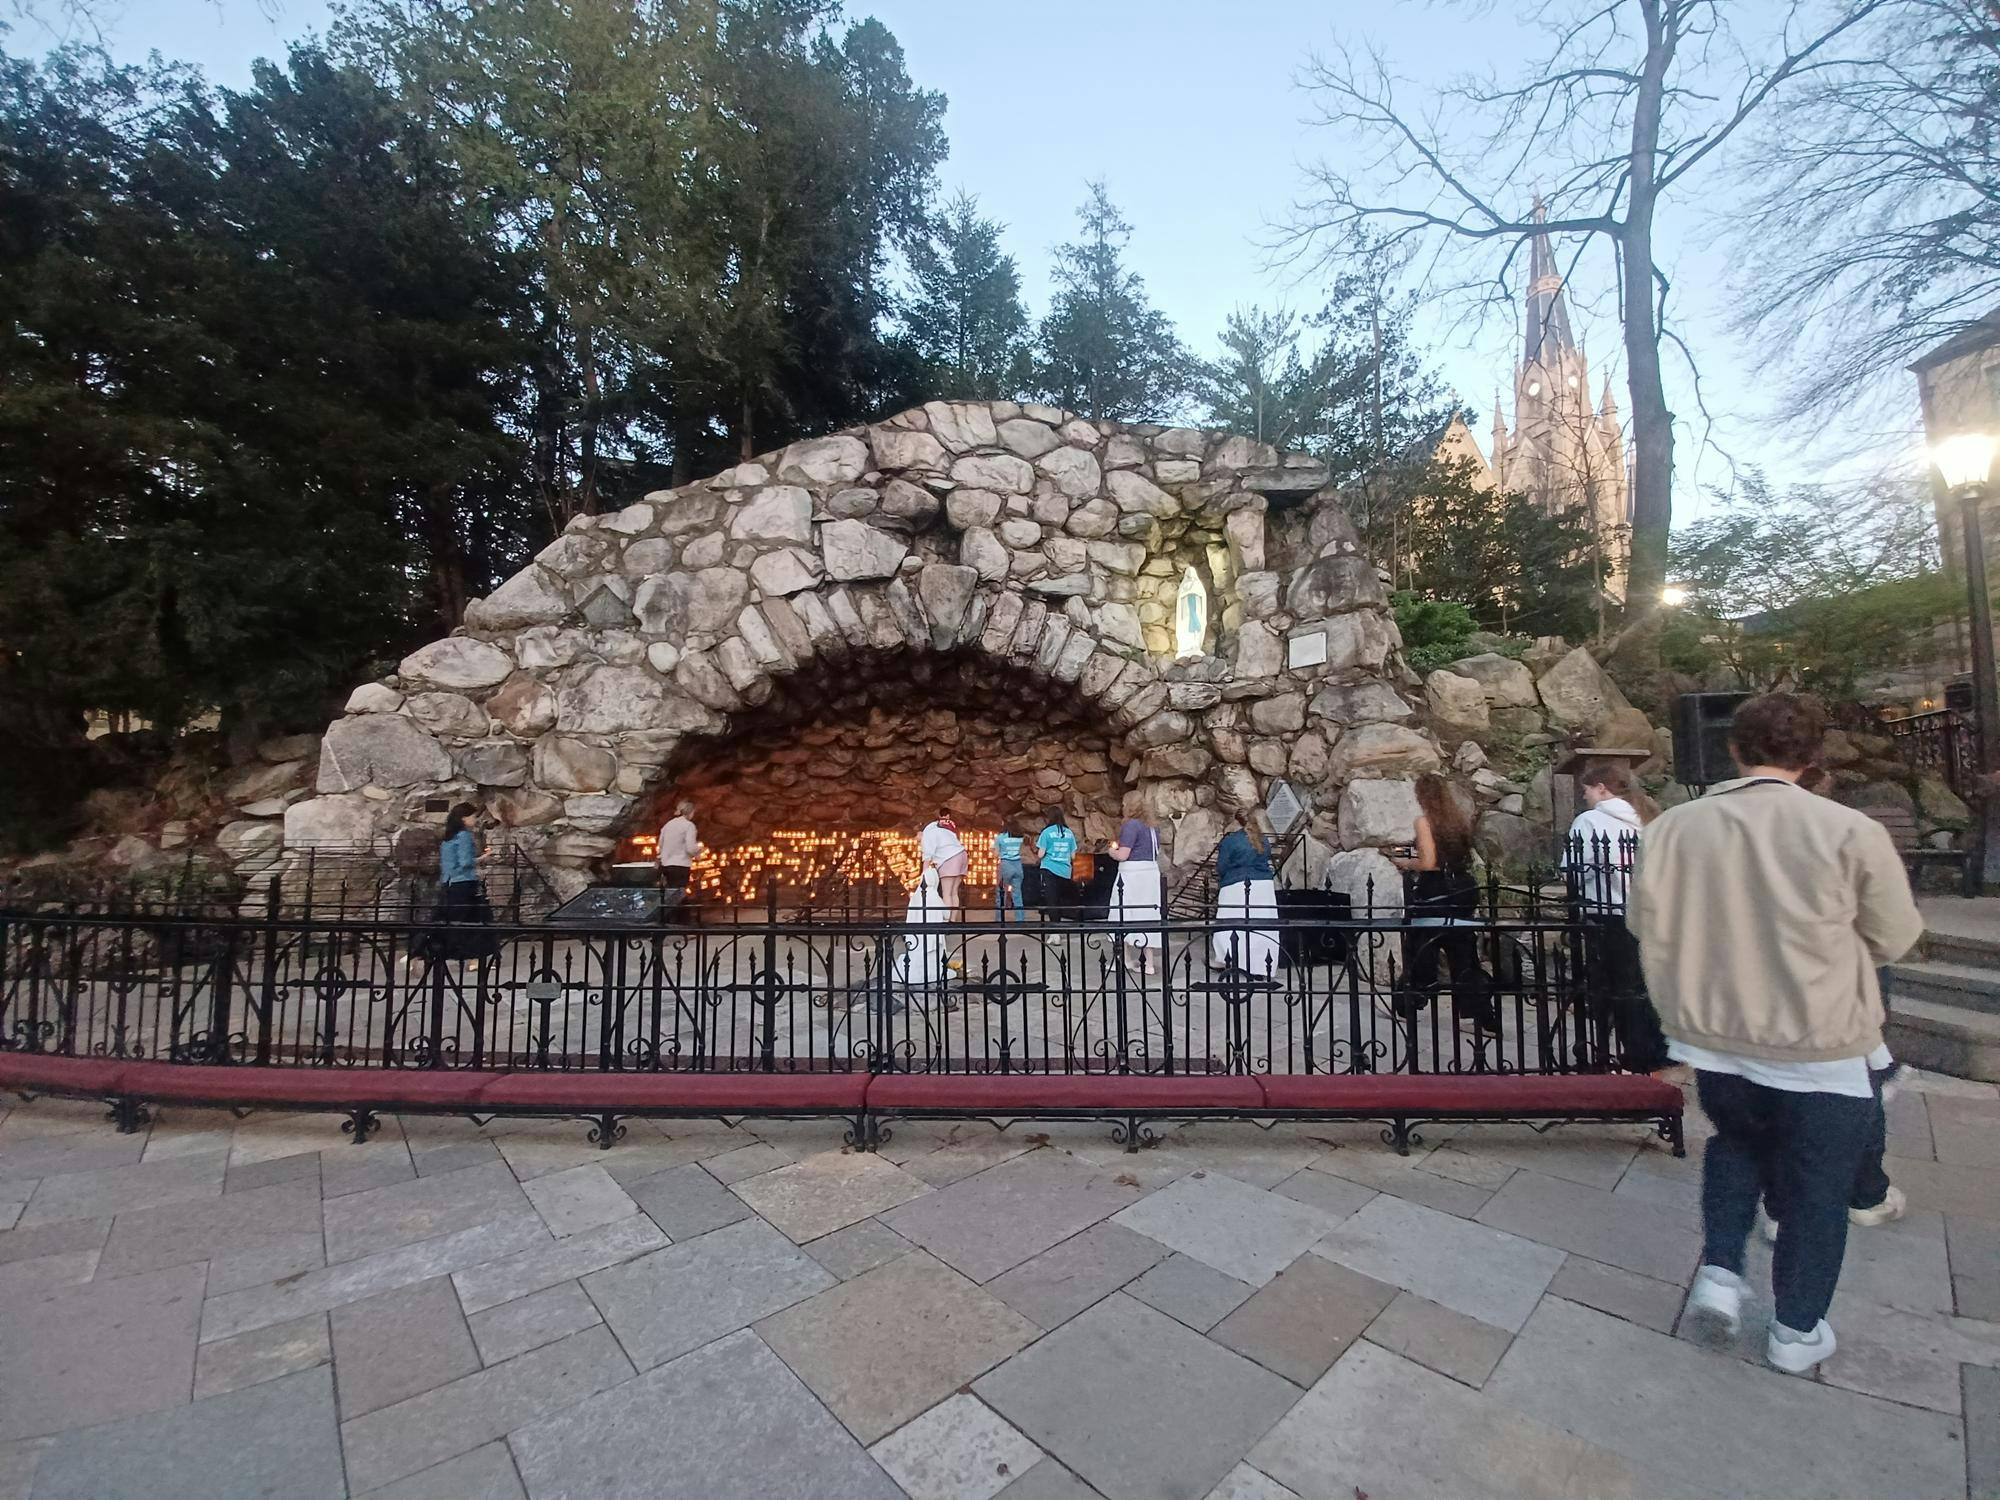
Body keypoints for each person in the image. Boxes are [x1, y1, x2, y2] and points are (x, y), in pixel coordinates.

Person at [1630, 692, 1923, 1376]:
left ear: (1734, 748)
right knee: (1818, 1187)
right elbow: (1896, 935)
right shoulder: (1848, 831)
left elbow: (1645, 922)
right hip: (1818, 1040)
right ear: (1814, 754)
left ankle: (1722, 1272)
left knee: (1736, 1145)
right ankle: (1796, 1329)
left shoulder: (1673, 828)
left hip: (1715, 1034)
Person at [1564, 760, 1673, 1075]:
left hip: (1607, 913)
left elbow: (1572, 869)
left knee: (1615, 987)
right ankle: (1658, 1047)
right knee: (1645, 984)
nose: (1584, 797)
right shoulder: (1647, 817)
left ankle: (1626, 1051)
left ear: (1601, 788)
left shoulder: (1590, 821)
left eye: (1586, 790)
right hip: (1648, 911)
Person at [1391, 774, 1497, 1032]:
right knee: (1463, 952)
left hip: (1437, 891)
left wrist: (1406, 863)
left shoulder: (1424, 822)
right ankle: (1481, 1015)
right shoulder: (1458, 821)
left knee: (1422, 947)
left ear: (1422, 796)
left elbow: (1428, 862)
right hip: (1463, 888)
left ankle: (1409, 1002)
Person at [1210, 810, 1279, 978]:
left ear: (1236, 822)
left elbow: (1222, 866)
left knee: (1230, 923)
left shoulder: (1231, 841)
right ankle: (1262, 964)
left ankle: (1226, 958)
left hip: (1237, 884)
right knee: (1262, 926)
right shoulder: (1263, 840)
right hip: (1263, 886)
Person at [436, 802, 496, 965]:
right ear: (464, 818)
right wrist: (483, 858)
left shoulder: (448, 837)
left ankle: (423, 953)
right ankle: (474, 957)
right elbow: (465, 862)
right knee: (474, 920)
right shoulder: (464, 836)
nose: (475, 820)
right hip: (464, 882)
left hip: (448, 882)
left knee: (450, 920)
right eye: (473, 816)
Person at [1107, 813, 1164, 975]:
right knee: (1147, 914)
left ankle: (1122, 959)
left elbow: (1123, 855)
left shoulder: (1131, 825)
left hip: (1132, 875)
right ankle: (1149, 964)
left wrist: (1111, 851)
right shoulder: (1153, 828)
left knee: (1122, 913)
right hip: (1150, 873)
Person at [919, 809, 969, 916]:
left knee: (946, 893)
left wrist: (923, 875)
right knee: (954, 892)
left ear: (920, 832)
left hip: (949, 858)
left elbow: (927, 855)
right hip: (962, 854)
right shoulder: (942, 829)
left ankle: (946, 921)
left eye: (916, 836)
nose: (916, 839)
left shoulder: (928, 833)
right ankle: (953, 920)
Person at [1035, 808, 1079, 918]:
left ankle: (1055, 929)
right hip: (1065, 870)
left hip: (1049, 869)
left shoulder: (1047, 832)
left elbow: (1040, 854)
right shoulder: (1069, 833)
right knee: (1062, 899)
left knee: (1052, 900)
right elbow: (1073, 855)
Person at [657, 800, 699, 893]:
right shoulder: (689, 826)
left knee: (669, 893)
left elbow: (660, 844)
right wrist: (698, 852)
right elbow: (690, 847)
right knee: (679, 893)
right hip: (681, 865)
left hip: (666, 865)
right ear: (690, 812)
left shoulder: (668, 824)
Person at [994, 821, 1027, 922]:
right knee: (1017, 894)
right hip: (1017, 865)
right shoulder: (1020, 838)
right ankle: (1020, 919)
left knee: (1001, 893)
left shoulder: (1000, 837)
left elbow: (996, 854)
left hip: (1006, 865)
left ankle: (1000, 919)